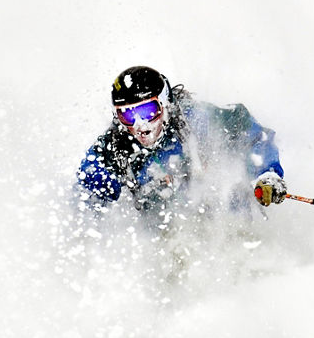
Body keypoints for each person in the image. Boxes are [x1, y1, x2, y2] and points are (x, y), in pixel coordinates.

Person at [76, 66, 286, 226]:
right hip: (167, 241)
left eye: (148, 111)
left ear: (165, 103)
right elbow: (85, 193)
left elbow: (253, 135)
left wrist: (266, 173)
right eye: (128, 115)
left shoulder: (196, 119)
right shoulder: (115, 148)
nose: (140, 125)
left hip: (226, 223)